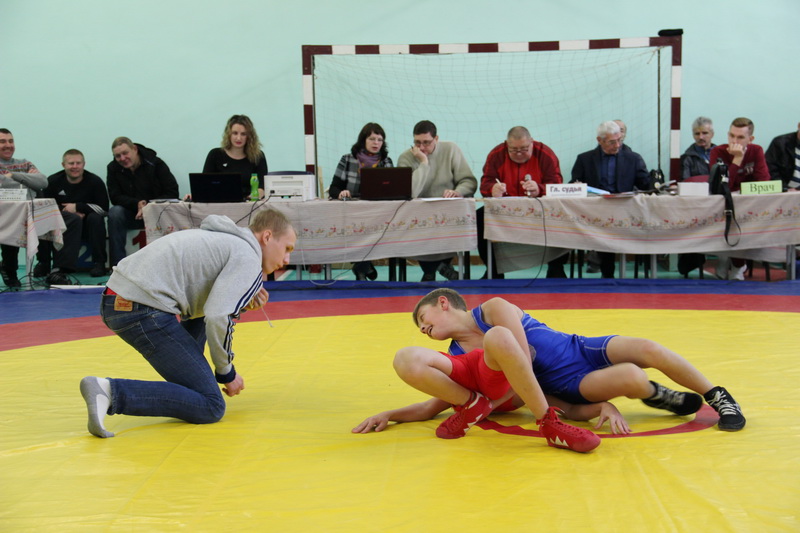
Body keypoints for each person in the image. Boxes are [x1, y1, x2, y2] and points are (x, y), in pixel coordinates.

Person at [354, 288, 745, 438]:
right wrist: (391, 414)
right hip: (565, 386)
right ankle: (659, 395)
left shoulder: (492, 309)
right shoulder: (458, 358)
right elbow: (438, 404)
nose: (423, 330)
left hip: (577, 349)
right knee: (631, 377)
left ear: (444, 303)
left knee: (647, 348)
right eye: (420, 330)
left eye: (424, 320)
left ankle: (718, 396)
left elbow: (522, 355)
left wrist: (496, 395)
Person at [79, 209, 296, 438]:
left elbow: (204, 305)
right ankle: (110, 392)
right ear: (267, 236)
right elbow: (218, 316)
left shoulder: (227, 240)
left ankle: (118, 391)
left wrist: (239, 300)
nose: (286, 260)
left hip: (120, 299)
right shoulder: (247, 255)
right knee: (211, 405)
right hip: (140, 307)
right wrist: (226, 372)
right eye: (287, 249)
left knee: (195, 387)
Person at [479, 126, 566, 278]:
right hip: (505, 210)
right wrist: (493, 189)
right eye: (513, 150)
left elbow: (557, 185)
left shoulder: (545, 154)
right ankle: (493, 270)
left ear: (532, 142)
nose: (519, 153)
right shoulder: (496, 155)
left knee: (561, 216)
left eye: (524, 149)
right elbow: (485, 184)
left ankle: (556, 269)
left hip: (539, 208)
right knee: (478, 220)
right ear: (506, 144)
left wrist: (539, 189)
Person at [397, 120, 477, 281]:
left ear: (436, 139)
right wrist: (423, 163)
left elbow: (469, 182)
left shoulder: (451, 149)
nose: (421, 147)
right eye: (417, 142)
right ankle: (438, 268)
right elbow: (409, 192)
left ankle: (433, 270)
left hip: (447, 211)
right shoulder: (406, 157)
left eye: (426, 142)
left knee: (454, 220)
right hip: (418, 213)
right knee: (416, 223)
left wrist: (457, 191)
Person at [571, 121, 650, 278]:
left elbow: (646, 185)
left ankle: (606, 271)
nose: (618, 145)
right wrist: (576, 186)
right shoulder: (584, 159)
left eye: (620, 140)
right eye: (612, 142)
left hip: (624, 212)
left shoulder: (633, 159)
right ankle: (606, 273)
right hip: (594, 213)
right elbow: (574, 185)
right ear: (599, 140)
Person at [328, 122, 394, 281]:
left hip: (378, 212)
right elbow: (334, 188)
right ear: (363, 140)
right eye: (372, 139)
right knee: (357, 231)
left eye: (379, 140)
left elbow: (393, 190)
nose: (376, 143)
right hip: (353, 212)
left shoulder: (386, 162)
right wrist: (341, 193)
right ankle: (364, 266)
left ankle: (362, 267)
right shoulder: (347, 159)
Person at [34, 149, 110, 284]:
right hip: (62, 224)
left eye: (78, 163)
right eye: (71, 163)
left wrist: (78, 207)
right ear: (63, 165)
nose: (75, 166)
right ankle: (44, 262)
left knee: (96, 219)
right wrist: (66, 212)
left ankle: (99, 263)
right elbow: (44, 207)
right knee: (43, 219)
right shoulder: (52, 181)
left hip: (88, 226)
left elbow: (104, 209)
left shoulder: (95, 181)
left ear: (84, 164)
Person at [708, 118, 770, 280]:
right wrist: (737, 160)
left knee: (745, 221)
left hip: (749, 204)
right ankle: (725, 258)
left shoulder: (756, 150)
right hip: (723, 204)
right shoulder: (718, 152)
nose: (734, 141)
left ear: (750, 139)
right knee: (725, 220)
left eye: (740, 137)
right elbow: (722, 187)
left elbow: (763, 182)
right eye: (731, 136)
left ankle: (737, 264)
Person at [106, 137, 179, 267]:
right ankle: (117, 265)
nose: (122, 158)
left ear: (134, 149)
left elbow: (172, 192)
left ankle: (169, 264)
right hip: (132, 213)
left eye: (125, 153)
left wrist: (148, 206)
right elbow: (115, 197)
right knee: (115, 213)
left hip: (156, 212)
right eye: (118, 156)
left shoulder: (156, 164)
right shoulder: (113, 168)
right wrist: (137, 204)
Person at [0, 128, 48, 289]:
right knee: (11, 224)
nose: (8, 145)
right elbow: (2, 185)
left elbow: (42, 182)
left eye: (10, 141)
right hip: (3, 216)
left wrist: (14, 175)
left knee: (45, 220)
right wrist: (28, 182)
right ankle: (10, 270)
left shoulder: (25, 163)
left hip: (23, 213)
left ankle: (45, 266)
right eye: (2, 142)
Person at [677, 117, 716, 276]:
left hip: (718, 203)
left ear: (712, 134)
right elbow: (685, 183)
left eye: (705, 133)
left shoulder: (722, 154)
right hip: (696, 206)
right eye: (697, 133)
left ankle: (729, 264)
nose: (701, 137)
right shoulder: (686, 158)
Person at [202, 114, 268, 201]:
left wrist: (252, 197)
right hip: (219, 202)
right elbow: (204, 185)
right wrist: (194, 195)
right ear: (228, 134)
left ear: (249, 136)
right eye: (235, 133)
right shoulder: (215, 154)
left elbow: (262, 187)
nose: (238, 138)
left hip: (249, 203)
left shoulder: (258, 156)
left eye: (243, 134)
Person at [764, 121, 800, 190]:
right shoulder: (780, 143)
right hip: (783, 189)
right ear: (799, 126)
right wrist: (784, 188)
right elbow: (770, 169)